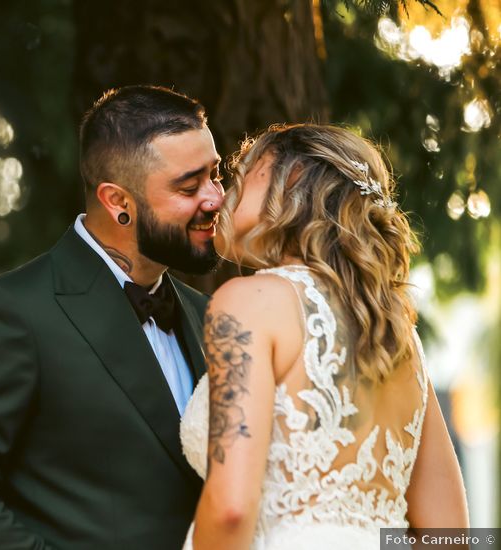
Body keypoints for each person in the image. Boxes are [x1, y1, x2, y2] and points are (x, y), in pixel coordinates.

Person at [0, 85, 225, 549]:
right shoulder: (10, 314)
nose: (215, 198)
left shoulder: (211, 316)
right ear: (118, 202)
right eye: (189, 185)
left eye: (216, 175)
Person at [179, 123, 469, 550]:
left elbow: (231, 511)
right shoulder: (397, 334)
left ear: (292, 179)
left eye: (242, 172)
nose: (222, 194)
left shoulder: (247, 301)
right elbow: (454, 535)